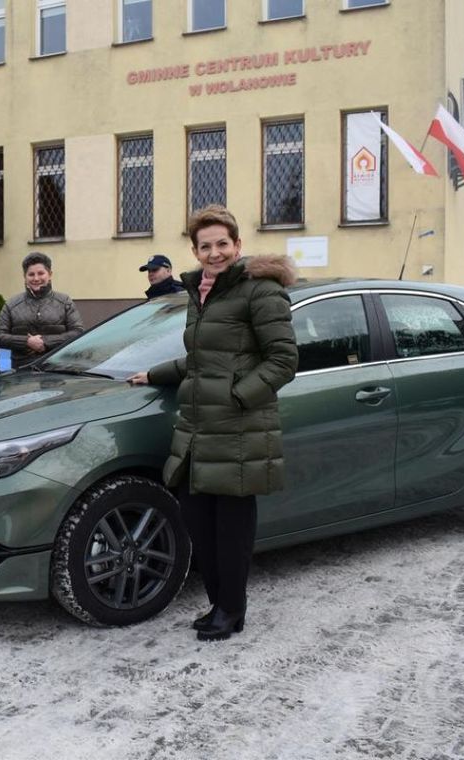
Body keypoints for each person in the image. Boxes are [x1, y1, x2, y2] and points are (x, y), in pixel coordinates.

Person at [129, 205, 298, 642]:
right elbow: (204, 359)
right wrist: (155, 374)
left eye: (223, 243)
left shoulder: (260, 290)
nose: (215, 252)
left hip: (239, 428)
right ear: (195, 251)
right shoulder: (201, 292)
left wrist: (237, 396)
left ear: (237, 246)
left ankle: (231, 610)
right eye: (206, 246)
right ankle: (218, 604)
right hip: (198, 428)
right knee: (198, 524)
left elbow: (284, 360)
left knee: (231, 531)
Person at [0, 252, 84, 368]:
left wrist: (46, 341)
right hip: (22, 371)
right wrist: (27, 341)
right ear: (25, 277)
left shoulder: (64, 301)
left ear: (50, 274)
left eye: (41, 273)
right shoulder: (11, 304)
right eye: (31, 274)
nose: (36, 278)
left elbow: (78, 332)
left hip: (57, 369)